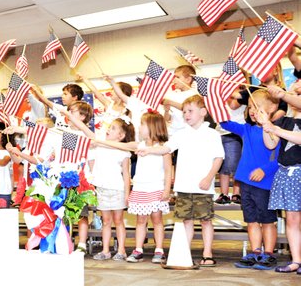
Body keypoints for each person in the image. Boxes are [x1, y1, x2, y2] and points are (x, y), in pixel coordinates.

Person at [138, 95, 224, 267]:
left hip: (203, 186)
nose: (186, 114)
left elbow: (219, 158)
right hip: (184, 186)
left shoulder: (212, 134)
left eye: (190, 111)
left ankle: (207, 253)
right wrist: (149, 150)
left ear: (203, 112)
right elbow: (167, 148)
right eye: (184, 111)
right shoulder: (181, 134)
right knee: (186, 220)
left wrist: (209, 178)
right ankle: (185, 253)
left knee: (206, 220)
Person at [97, 112, 172, 263]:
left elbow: (169, 170)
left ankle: (159, 249)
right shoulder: (139, 145)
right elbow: (121, 144)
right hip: (140, 188)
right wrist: (98, 142)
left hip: (156, 188)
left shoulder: (163, 148)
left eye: (142, 124)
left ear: (152, 127)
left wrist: (167, 189)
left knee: (157, 219)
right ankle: (138, 249)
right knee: (140, 220)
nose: (139, 127)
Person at [221, 90, 280, 270]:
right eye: (251, 107)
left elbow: (279, 158)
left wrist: (264, 170)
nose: (253, 111)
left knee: (268, 220)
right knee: (252, 220)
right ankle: (255, 252)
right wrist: (214, 101)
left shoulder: (275, 131)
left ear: (271, 109)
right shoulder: (246, 129)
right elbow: (224, 122)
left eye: (258, 107)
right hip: (246, 183)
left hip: (265, 183)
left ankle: (268, 253)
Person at [66, 115, 135, 261]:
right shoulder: (99, 146)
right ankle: (105, 250)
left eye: (113, 128)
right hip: (102, 190)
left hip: (117, 190)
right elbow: (85, 132)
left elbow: (126, 175)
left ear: (121, 136)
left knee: (118, 220)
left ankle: (121, 250)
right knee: (106, 221)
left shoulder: (124, 152)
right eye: (109, 127)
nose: (109, 130)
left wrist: (127, 194)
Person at [261, 79, 301, 273]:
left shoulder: (282, 125)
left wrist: (275, 129)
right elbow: (270, 144)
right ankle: (296, 260)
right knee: (292, 219)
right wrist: (265, 123)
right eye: (295, 86)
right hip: (288, 173)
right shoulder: (284, 120)